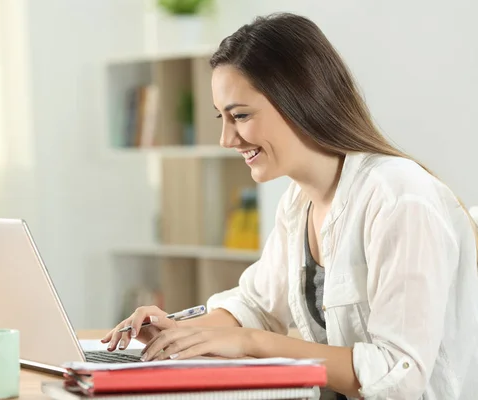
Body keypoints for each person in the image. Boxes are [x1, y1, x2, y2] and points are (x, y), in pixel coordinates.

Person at [101, 12, 478, 400]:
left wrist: (254, 344)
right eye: (222, 118)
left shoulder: (399, 197)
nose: (227, 139)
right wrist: (181, 334)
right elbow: (256, 305)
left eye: (240, 116)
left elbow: (398, 375)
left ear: (302, 98)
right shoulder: (299, 203)